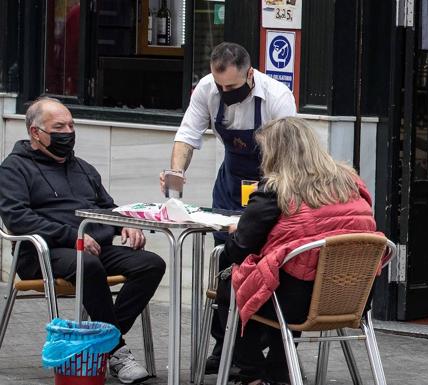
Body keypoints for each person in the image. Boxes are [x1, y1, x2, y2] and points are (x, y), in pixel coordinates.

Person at [0, 98, 166, 385]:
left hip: (93, 247)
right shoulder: (14, 168)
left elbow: (107, 207)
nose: (68, 132)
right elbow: (17, 218)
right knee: (87, 264)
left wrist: (124, 225)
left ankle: (98, 339)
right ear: (35, 132)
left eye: (71, 125)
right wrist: (72, 236)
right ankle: (115, 351)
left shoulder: (83, 168)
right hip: (41, 254)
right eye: (59, 127)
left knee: (151, 264)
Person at [164, 41, 296, 372]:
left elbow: (291, 157)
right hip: (230, 185)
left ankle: (253, 347)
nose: (225, 92)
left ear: (250, 74)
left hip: (270, 187)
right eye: (220, 86)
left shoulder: (277, 97)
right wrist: (176, 176)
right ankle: (226, 344)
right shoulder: (207, 90)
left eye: (233, 87)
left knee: (264, 265)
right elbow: (187, 135)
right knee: (227, 262)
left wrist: (264, 207)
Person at [216, 117, 379, 384]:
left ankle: (252, 373)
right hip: (350, 297)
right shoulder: (351, 184)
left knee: (233, 284)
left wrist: (236, 232)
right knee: (296, 270)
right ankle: (279, 371)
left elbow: (240, 249)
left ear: (276, 153)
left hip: (295, 304)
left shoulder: (275, 190)